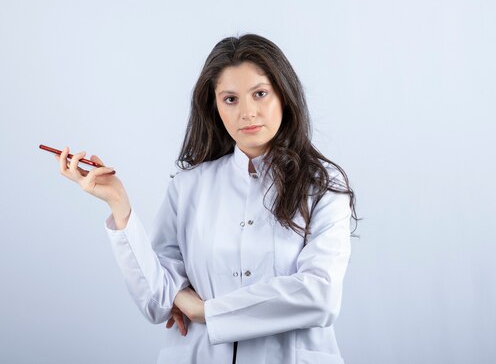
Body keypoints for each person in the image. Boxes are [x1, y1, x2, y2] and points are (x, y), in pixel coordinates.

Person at [53, 33, 360, 364]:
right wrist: (119, 204)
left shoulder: (322, 184)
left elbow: (320, 295)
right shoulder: (189, 187)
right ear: (214, 106)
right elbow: (157, 302)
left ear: (283, 96)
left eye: (260, 94)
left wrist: (207, 311)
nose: (247, 112)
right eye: (230, 99)